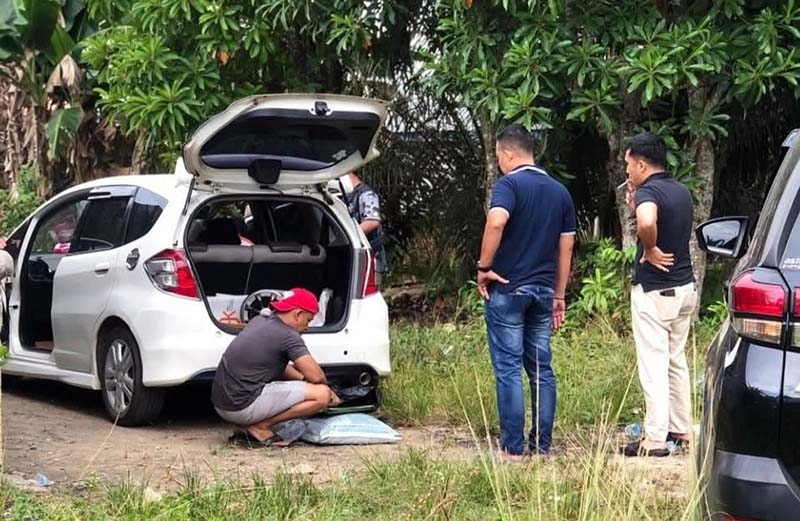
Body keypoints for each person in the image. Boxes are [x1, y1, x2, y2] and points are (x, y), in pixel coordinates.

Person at [477, 123, 576, 460]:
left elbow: (496, 221)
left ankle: (513, 448)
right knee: (541, 368)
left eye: (498, 156)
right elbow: (566, 248)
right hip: (544, 291)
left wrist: (483, 267)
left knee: (507, 368)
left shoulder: (509, 185)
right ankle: (542, 445)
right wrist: (559, 294)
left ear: (506, 153)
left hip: (508, 289)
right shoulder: (560, 192)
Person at [621, 132, 696, 458]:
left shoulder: (648, 192)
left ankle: (653, 439)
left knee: (653, 363)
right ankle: (681, 429)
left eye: (628, 166)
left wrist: (649, 248)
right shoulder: (680, 191)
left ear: (641, 163)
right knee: (675, 360)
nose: (626, 173)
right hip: (685, 289)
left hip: (656, 291)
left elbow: (648, 218)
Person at [211, 288, 341, 446]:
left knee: (311, 389)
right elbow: (317, 376)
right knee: (321, 395)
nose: (307, 327)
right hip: (241, 407)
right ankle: (261, 427)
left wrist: (302, 380)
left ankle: (248, 424)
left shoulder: (260, 321)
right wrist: (329, 392)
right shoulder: (288, 335)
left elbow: (279, 366)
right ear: (298, 314)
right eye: (308, 320)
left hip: (223, 405)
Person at [341, 171, 387, 286]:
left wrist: (345, 234)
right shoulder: (345, 196)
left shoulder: (366, 193)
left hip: (370, 258)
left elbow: (372, 221)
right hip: (355, 258)